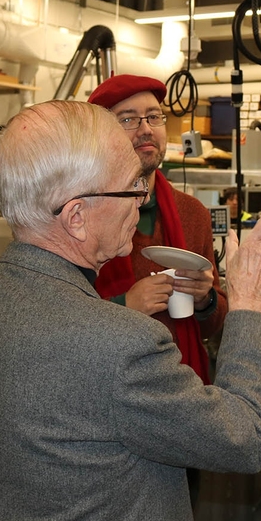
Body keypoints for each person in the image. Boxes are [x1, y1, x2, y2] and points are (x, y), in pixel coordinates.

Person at [0, 100, 261, 521]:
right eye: (131, 188)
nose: (142, 200)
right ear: (76, 217)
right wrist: (247, 304)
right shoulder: (119, 343)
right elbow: (244, 439)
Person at [87, 74, 223, 385]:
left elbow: (212, 325)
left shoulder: (193, 213)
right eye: (128, 119)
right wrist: (124, 306)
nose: (146, 129)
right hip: (106, 386)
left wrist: (205, 300)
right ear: (102, 134)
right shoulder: (82, 214)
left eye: (153, 116)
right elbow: (56, 319)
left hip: (182, 386)